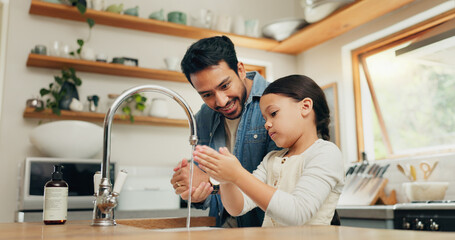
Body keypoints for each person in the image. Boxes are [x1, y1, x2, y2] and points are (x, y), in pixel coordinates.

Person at [193, 75, 345, 227]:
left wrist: (237, 175)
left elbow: (298, 214)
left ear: (305, 107)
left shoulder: (326, 153)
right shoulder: (271, 159)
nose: (267, 124)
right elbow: (237, 208)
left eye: (273, 114)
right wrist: (226, 180)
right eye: (265, 119)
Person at [170, 35, 280, 227]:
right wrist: (196, 190)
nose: (220, 101)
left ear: (240, 70)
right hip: (224, 229)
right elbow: (209, 194)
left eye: (225, 86)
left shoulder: (277, 102)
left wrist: (212, 181)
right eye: (207, 95)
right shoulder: (202, 118)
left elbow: (283, 186)